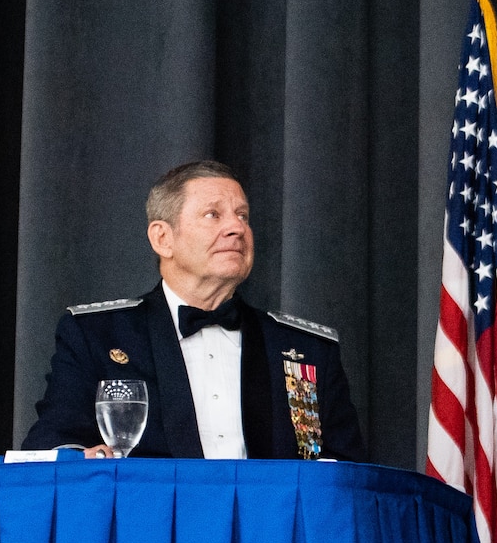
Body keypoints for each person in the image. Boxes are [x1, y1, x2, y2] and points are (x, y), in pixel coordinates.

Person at [23, 160, 366, 461]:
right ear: (163, 239)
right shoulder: (97, 335)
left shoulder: (306, 349)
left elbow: (345, 471)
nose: (236, 228)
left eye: (242, 216)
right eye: (212, 214)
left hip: (271, 532)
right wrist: (79, 458)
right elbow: (53, 442)